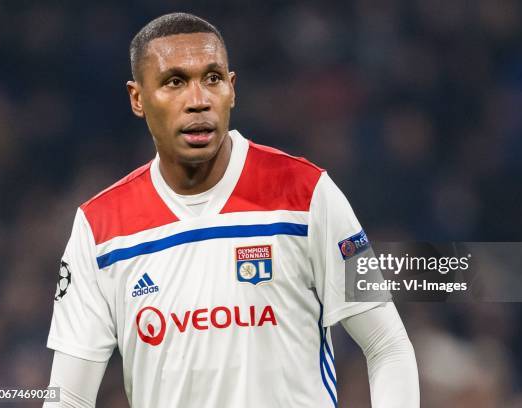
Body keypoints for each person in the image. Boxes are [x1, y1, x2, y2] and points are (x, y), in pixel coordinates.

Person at [44, 12, 419, 408]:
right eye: (174, 82)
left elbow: (387, 345)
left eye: (212, 78)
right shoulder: (100, 227)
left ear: (232, 89)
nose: (198, 100)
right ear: (137, 98)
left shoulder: (307, 193)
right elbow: (68, 397)